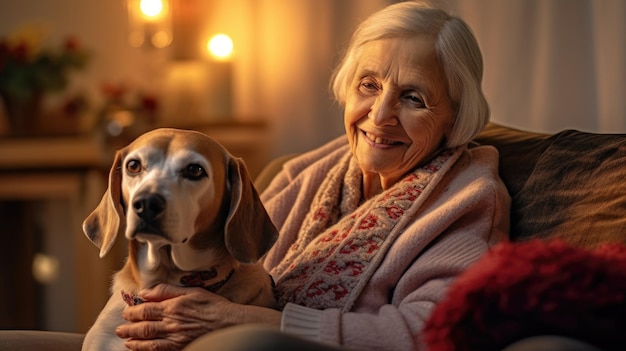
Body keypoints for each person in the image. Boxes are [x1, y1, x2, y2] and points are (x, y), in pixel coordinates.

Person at [114, 1, 510, 350]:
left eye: (413, 98)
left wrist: (247, 321)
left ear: (454, 118)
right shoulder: (306, 172)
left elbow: (434, 334)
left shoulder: (469, 198)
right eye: (368, 85)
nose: (379, 115)